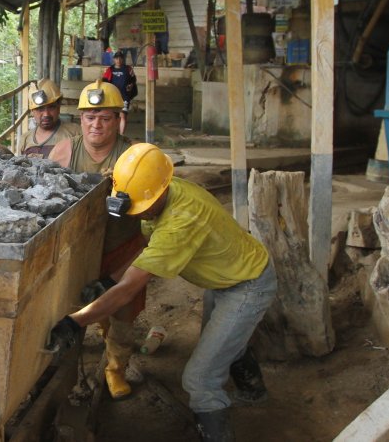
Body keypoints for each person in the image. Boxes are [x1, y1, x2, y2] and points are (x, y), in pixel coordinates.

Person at [48, 144, 276, 442]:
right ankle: (254, 390)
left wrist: (74, 322)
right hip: (226, 278)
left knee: (200, 378)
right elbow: (147, 246)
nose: (136, 215)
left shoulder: (181, 220)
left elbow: (130, 288)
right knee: (225, 343)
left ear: (158, 193)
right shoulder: (158, 189)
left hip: (247, 285)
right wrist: (108, 280)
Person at [48, 81, 141, 400]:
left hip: (122, 245)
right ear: (81, 120)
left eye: (104, 117)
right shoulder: (64, 151)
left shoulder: (132, 155)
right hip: (80, 249)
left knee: (124, 313)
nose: (96, 125)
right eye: (90, 117)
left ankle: (115, 367)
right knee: (81, 304)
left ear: (119, 120)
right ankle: (88, 348)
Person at [15, 78, 79, 159]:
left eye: (51, 107)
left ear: (58, 108)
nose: (46, 114)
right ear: (32, 111)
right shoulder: (25, 139)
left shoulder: (75, 133)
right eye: (40, 109)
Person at [103, 52, 139, 135]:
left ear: (123, 59)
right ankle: (113, 133)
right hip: (112, 96)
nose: (118, 60)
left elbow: (133, 79)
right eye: (116, 58)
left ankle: (121, 135)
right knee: (112, 115)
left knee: (123, 115)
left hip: (124, 96)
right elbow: (104, 81)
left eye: (120, 58)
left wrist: (131, 85)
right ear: (114, 59)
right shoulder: (110, 69)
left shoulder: (128, 69)